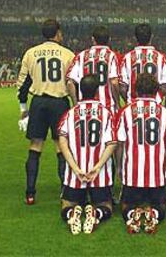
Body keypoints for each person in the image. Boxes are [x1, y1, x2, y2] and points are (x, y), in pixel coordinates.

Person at [16, 19, 75, 205]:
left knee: (35, 146)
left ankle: (30, 192)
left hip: (39, 103)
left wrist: (23, 109)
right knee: (61, 146)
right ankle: (65, 190)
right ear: (57, 33)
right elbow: (72, 82)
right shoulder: (68, 54)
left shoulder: (31, 53)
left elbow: (22, 85)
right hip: (60, 103)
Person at [58, 74, 117, 235]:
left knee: (67, 204)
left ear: (80, 91)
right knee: (106, 206)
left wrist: (75, 169)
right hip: (99, 174)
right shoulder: (106, 113)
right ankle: (96, 213)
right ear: (97, 91)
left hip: (75, 173)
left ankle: (72, 214)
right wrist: (97, 168)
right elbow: (111, 143)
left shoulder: (70, 113)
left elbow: (62, 140)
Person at [116, 73, 166, 234]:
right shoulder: (165, 113)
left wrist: (119, 167)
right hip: (157, 174)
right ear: (156, 90)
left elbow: (120, 144)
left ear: (136, 90)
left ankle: (133, 214)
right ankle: (153, 214)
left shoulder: (126, 111)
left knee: (126, 207)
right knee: (161, 207)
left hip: (133, 173)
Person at [66, 25, 120, 112]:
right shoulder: (111, 55)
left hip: (84, 108)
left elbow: (69, 83)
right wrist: (117, 103)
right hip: (106, 107)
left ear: (93, 39)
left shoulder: (81, 55)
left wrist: (75, 104)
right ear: (109, 40)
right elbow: (114, 82)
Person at [119, 23, 166, 106]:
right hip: (155, 105)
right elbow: (165, 87)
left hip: (133, 105)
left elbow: (122, 88)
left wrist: (129, 101)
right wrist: (157, 98)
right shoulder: (160, 58)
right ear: (151, 37)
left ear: (135, 38)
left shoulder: (127, 58)